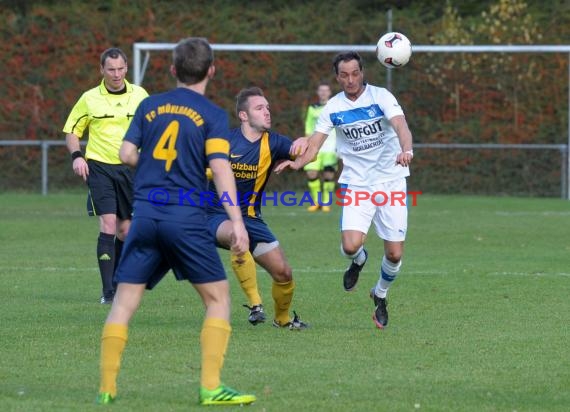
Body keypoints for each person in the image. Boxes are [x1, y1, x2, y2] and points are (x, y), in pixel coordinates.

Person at [95, 37, 256, 406]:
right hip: (185, 218)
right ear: (211, 70)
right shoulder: (213, 115)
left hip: (146, 215)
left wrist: (152, 166)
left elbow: (125, 153)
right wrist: (237, 220)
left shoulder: (149, 105)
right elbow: (219, 168)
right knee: (217, 299)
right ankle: (211, 387)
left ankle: (107, 387)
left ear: (172, 70)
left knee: (123, 302)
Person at [275, 51, 414, 330]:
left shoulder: (381, 96)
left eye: (355, 73)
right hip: (357, 184)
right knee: (351, 246)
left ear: (362, 73)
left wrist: (406, 149)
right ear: (337, 77)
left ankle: (380, 294)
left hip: (391, 182)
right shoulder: (333, 108)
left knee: (395, 255)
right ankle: (358, 261)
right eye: (344, 75)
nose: (350, 80)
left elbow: (401, 126)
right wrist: (297, 162)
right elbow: (314, 145)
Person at [207, 86, 308, 330]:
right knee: (236, 234)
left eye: (268, 108)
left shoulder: (274, 143)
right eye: (260, 108)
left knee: (284, 274)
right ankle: (255, 305)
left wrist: (308, 140)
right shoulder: (224, 141)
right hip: (214, 216)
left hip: (251, 218)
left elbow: (304, 152)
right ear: (243, 115)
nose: (267, 112)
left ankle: (282, 320)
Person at [63, 47, 149, 304]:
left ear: (126, 68)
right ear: (102, 70)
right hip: (99, 166)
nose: (116, 74)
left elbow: (153, 127)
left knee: (126, 231)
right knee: (109, 225)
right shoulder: (89, 98)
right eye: (110, 69)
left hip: (131, 169)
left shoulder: (140, 95)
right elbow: (72, 132)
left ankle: (118, 282)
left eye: (120, 68)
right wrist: (77, 156)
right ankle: (108, 292)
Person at [303, 82, 338, 212]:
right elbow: (308, 126)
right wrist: (307, 143)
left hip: (331, 147)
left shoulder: (335, 107)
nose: (323, 93)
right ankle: (316, 202)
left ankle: (326, 203)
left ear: (329, 92)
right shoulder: (312, 108)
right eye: (321, 90)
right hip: (315, 146)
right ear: (318, 93)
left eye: (326, 90)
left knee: (329, 174)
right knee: (311, 173)